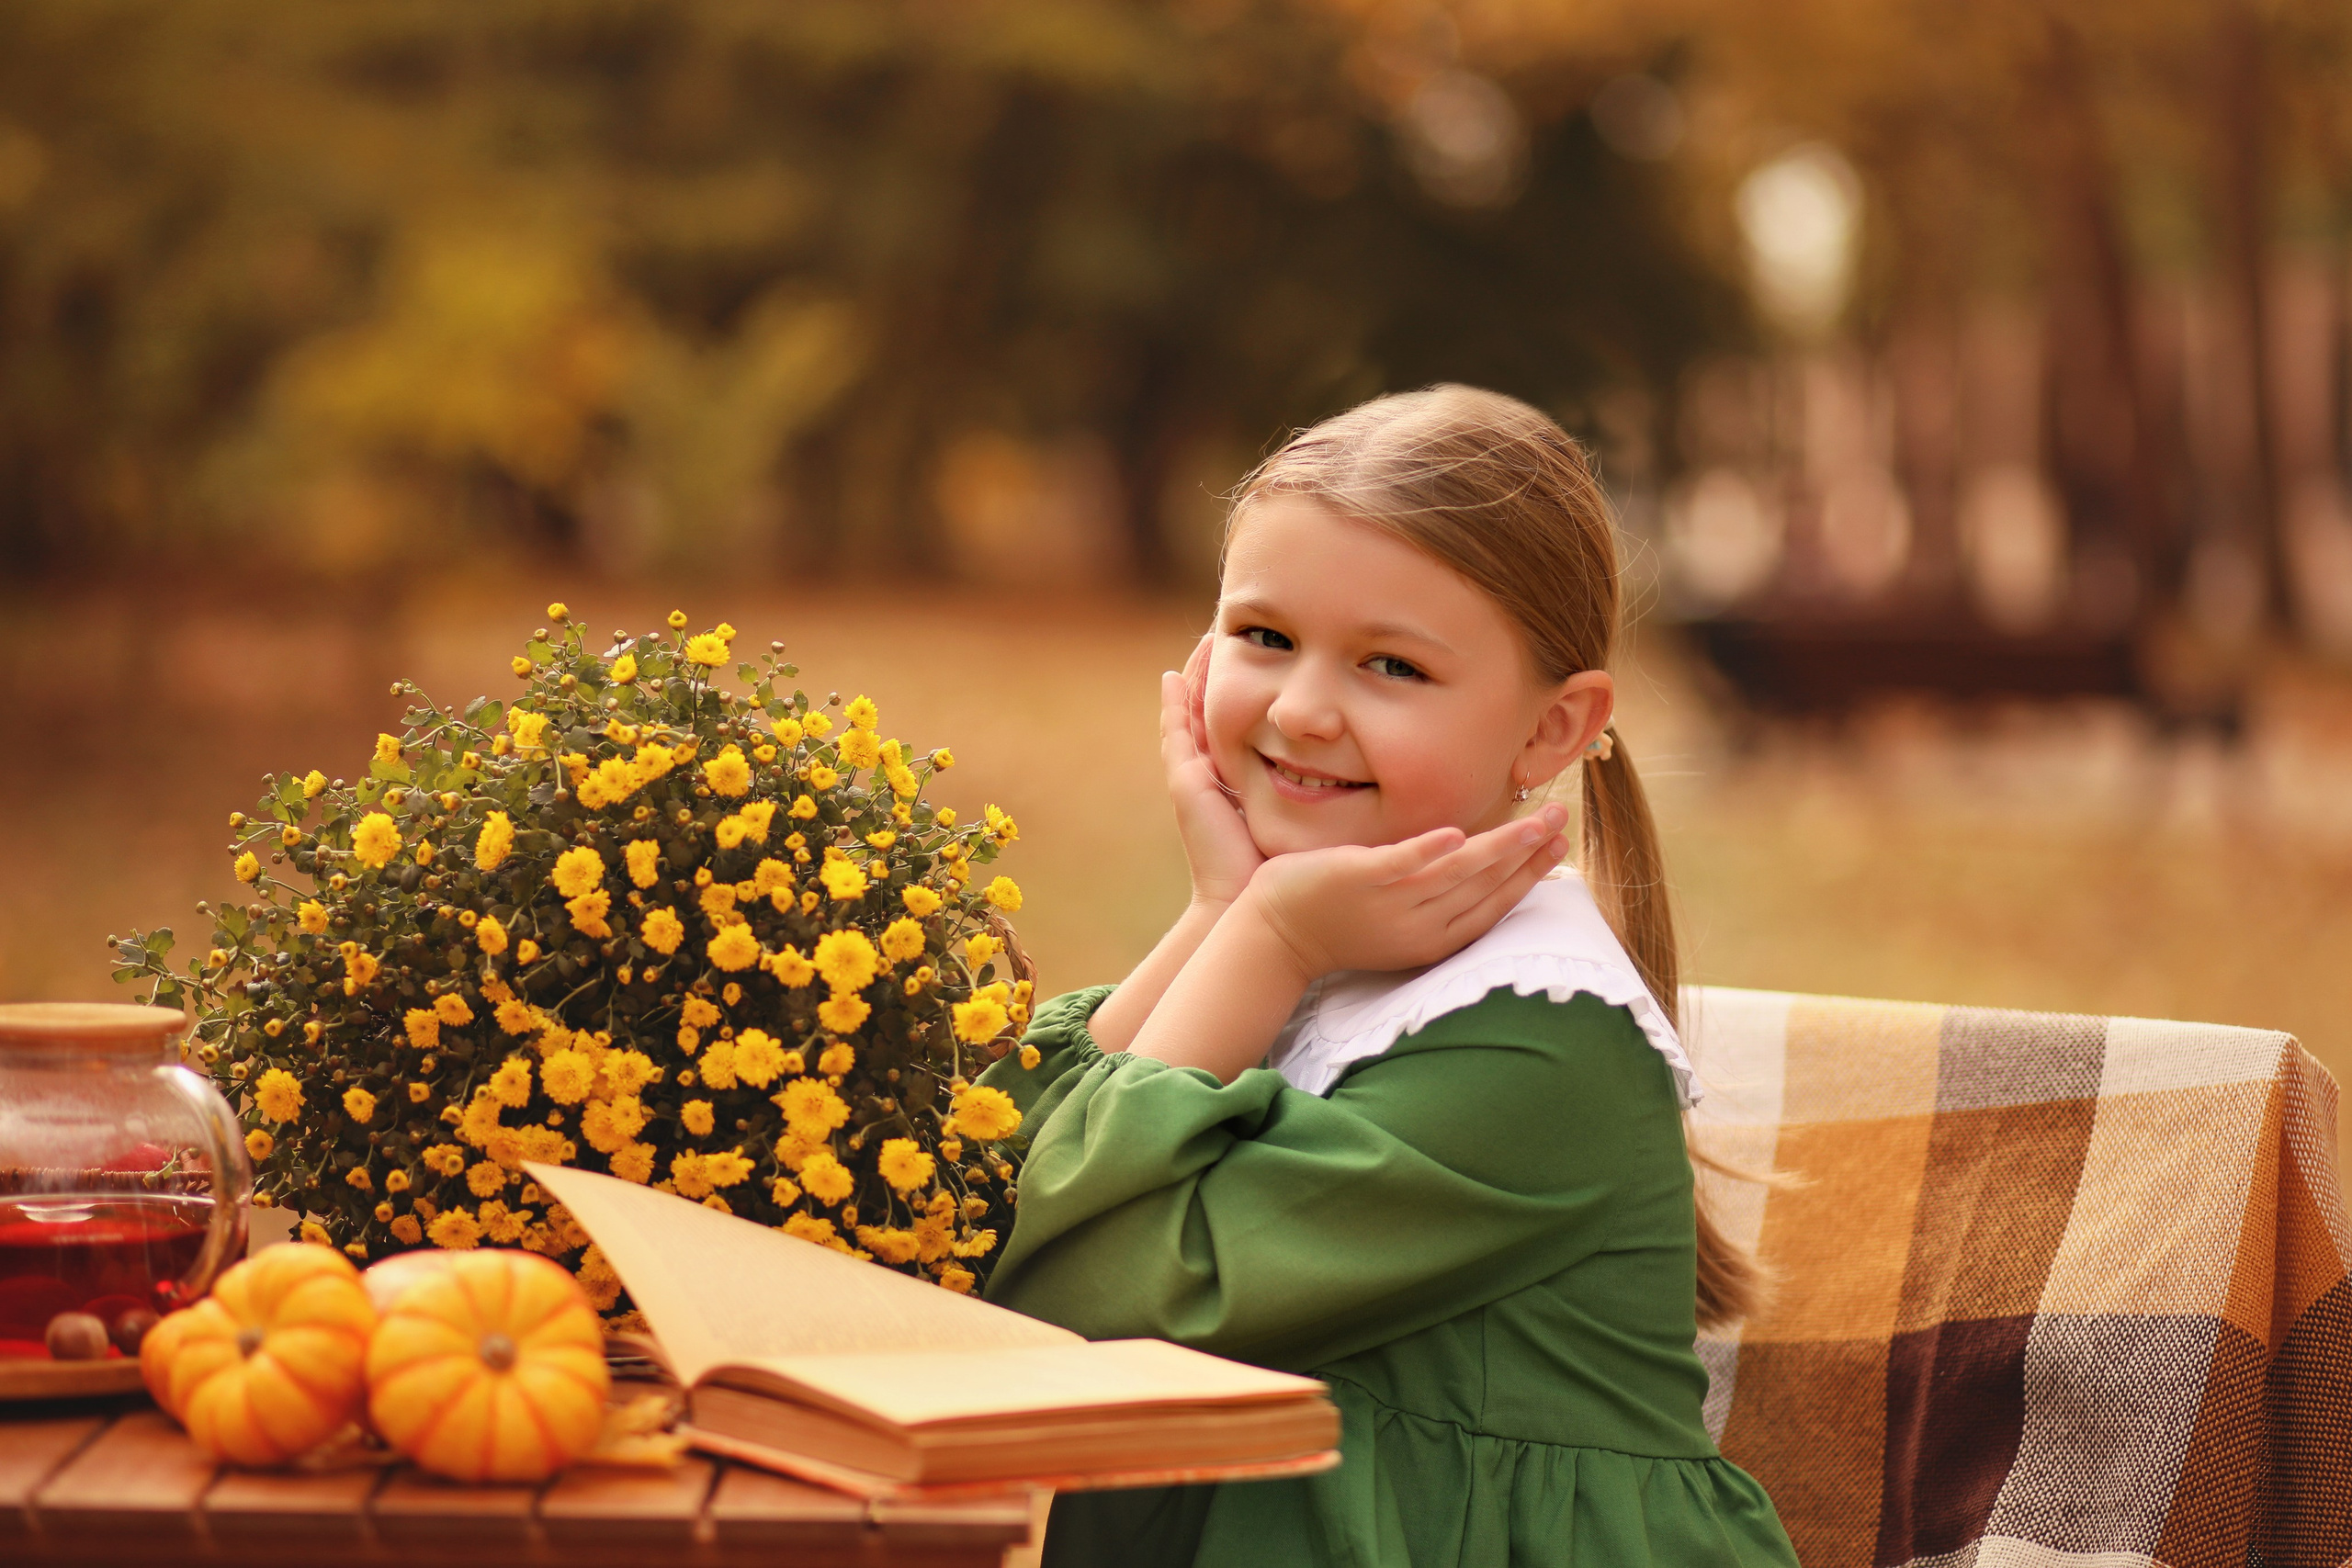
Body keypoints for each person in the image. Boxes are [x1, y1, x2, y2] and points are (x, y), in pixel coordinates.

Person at [976, 385, 1798, 1567]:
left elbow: (1065, 1295)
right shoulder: (1325, 921)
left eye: (1392, 666)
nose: (1303, 710)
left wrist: (1266, 937)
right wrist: (1222, 911)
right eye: (1264, 638)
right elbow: (989, 1181)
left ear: (1551, 732)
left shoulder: (1536, 1039)